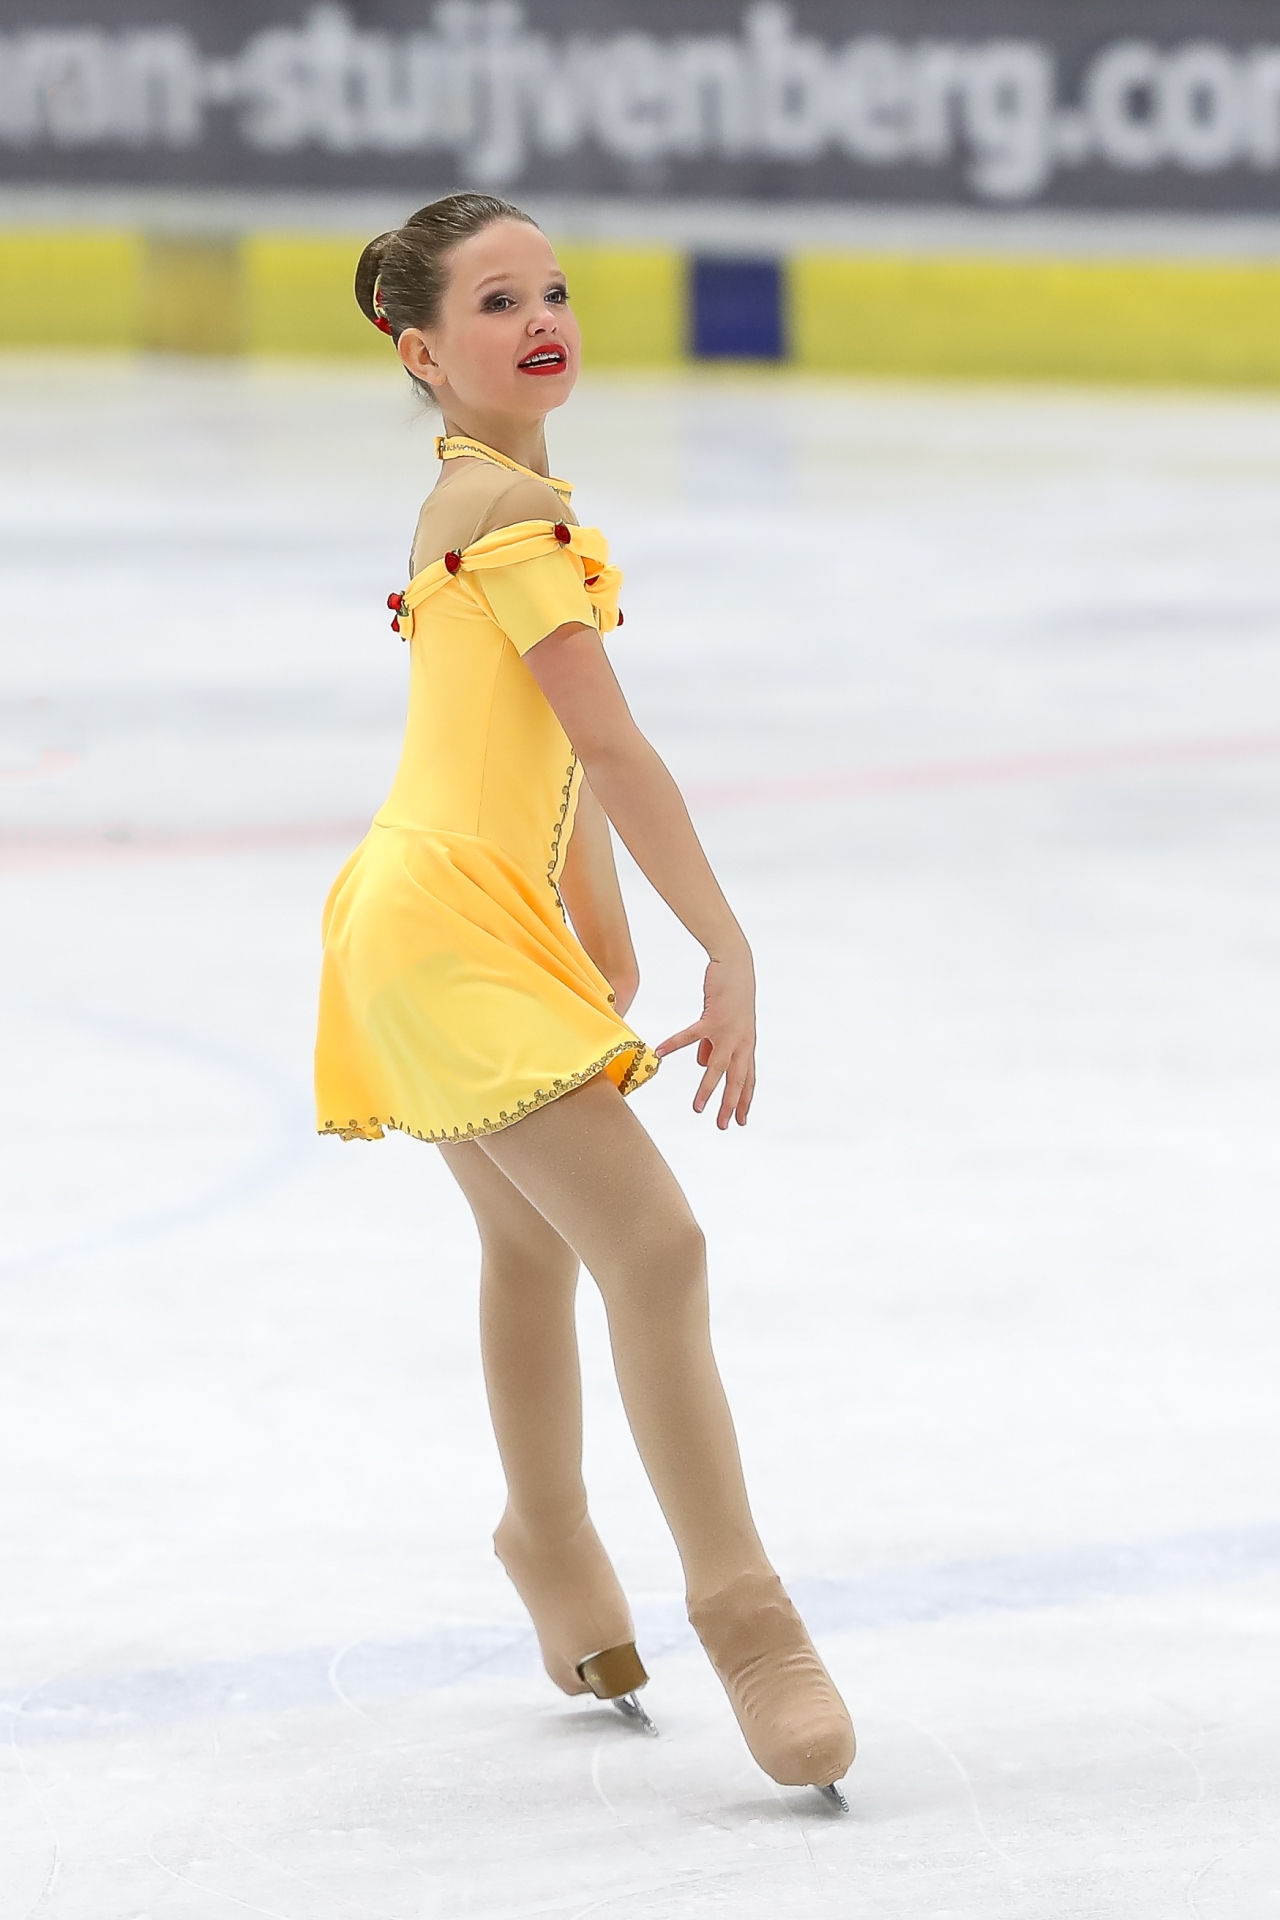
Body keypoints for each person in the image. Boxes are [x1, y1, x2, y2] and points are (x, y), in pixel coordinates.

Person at [315, 192, 854, 1804]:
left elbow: (525, 740)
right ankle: (746, 1616)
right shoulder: (505, 508)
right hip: (443, 927)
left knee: (530, 1245)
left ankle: (547, 1542)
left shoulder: (488, 496)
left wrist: (598, 925)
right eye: (494, 303)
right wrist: (724, 944)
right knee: (657, 1247)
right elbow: (609, 742)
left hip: (441, 911)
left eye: (549, 290)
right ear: (421, 352)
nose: (539, 319)